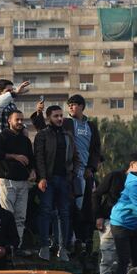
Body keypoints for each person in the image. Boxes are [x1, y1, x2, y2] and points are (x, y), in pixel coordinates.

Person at [31, 94, 101, 252]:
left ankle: (83, 240)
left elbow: (96, 149)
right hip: (68, 173)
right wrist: (38, 114)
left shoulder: (91, 126)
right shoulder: (66, 123)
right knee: (68, 208)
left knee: (84, 208)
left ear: (82, 106)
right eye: (69, 104)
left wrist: (91, 168)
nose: (71, 107)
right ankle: (68, 241)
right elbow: (47, 131)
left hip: (84, 174)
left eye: (74, 104)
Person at [34, 105, 80, 262]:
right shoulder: (42, 135)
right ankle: (44, 246)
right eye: (56, 116)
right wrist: (41, 177)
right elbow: (39, 158)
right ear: (49, 118)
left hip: (64, 180)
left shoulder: (68, 135)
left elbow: (76, 157)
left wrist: (73, 175)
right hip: (48, 179)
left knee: (65, 214)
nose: (60, 119)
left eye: (61, 115)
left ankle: (63, 248)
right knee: (46, 211)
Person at [92, 152, 137, 274]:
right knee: (108, 257)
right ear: (132, 165)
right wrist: (98, 216)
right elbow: (97, 194)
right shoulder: (115, 176)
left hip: (130, 225)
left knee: (129, 259)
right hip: (109, 221)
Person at [0, 110, 35, 251]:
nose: (20, 122)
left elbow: (31, 159)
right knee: (6, 215)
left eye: (22, 119)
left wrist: (33, 170)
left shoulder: (25, 140)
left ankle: (16, 246)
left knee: (20, 217)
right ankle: (4, 246)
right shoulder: (1, 136)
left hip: (23, 183)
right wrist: (14, 156)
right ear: (9, 120)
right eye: (17, 119)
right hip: (6, 181)